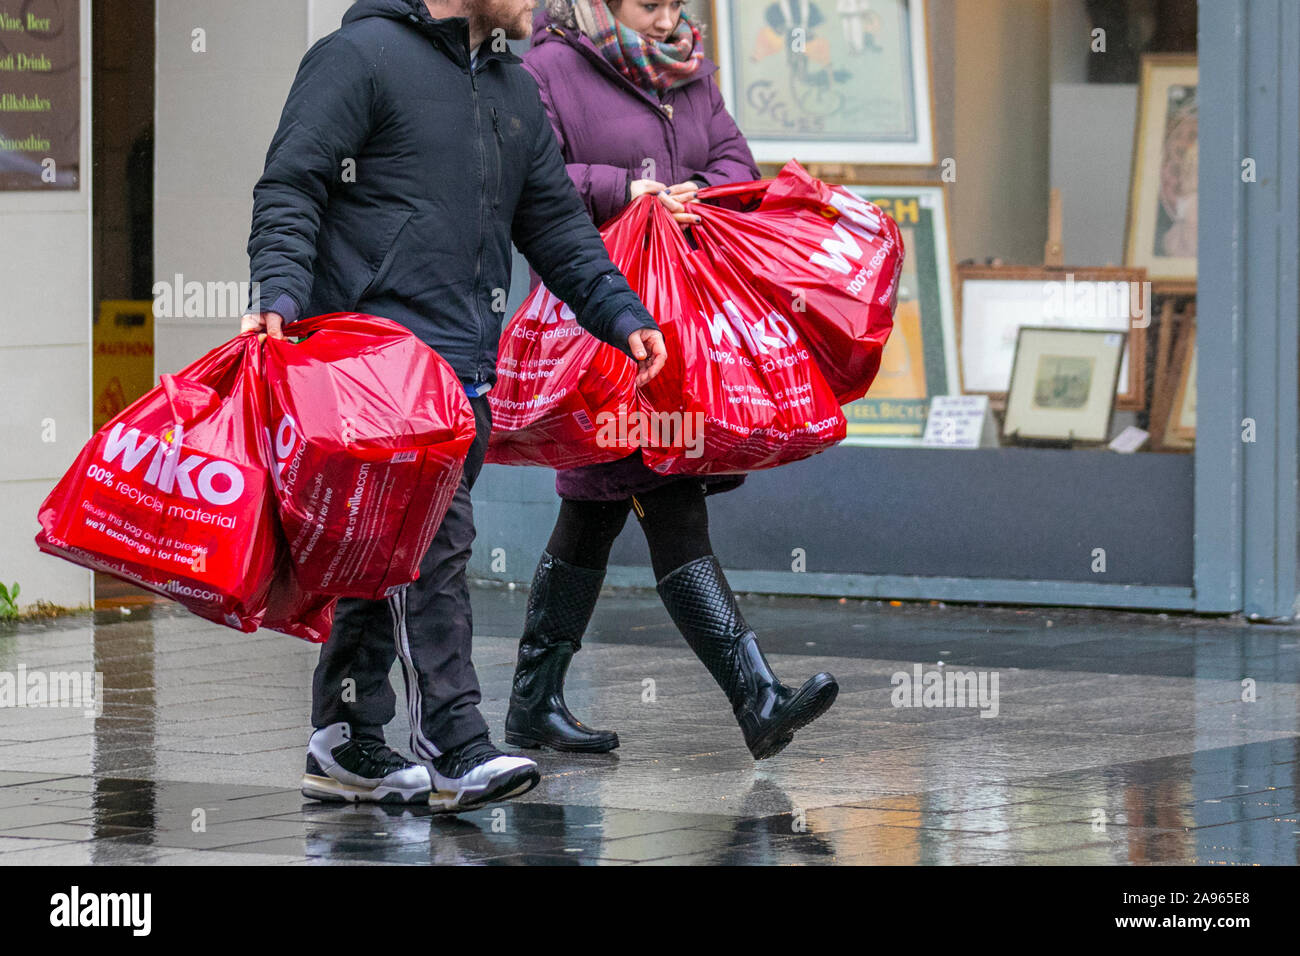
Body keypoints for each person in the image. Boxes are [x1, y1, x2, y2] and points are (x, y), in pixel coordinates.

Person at [241, 0, 667, 811]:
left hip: (467, 372)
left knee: (379, 561)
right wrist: (279, 289)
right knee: (435, 545)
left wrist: (623, 315)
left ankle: (343, 739)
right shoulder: (358, 56)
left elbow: (556, 225)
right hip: (376, 366)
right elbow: (292, 181)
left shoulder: (510, 85)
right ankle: (457, 743)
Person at [504, 0, 838, 761]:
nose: (668, 18)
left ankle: (533, 702)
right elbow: (537, 179)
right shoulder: (551, 68)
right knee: (668, 492)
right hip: (596, 326)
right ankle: (756, 697)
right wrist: (632, 191)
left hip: (675, 329)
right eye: (649, 4)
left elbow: (733, 161)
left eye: (674, 2)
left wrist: (693, 198)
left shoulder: (690, 71)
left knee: (595, 507)